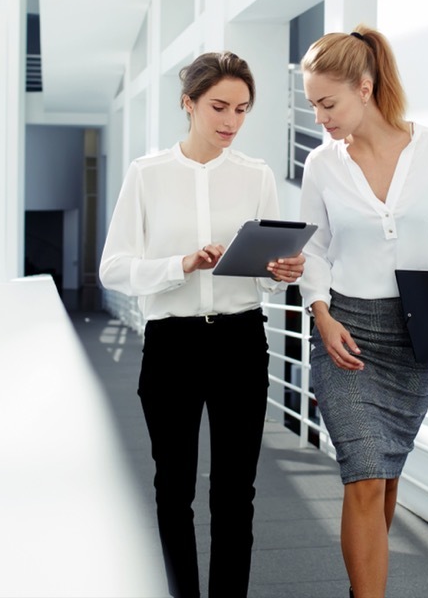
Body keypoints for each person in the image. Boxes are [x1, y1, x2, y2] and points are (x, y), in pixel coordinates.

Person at [99, 51, 305, 598]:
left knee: (237, 491)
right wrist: (181, 265)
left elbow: (266, 280)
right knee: (174, 488)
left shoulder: (257, 176)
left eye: (241, 109)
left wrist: (281, 271)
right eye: (219, 106)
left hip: (241, 341)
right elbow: (113, 268)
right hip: (173, 344)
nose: (231, 121)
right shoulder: (147, 175)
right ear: (188, 103)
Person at [297, 26, 428, 598]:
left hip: (413, 337)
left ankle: (364, 588)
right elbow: (313, 251)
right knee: (363, 473)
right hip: (346, 337)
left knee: (387, 472)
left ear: (365, 86)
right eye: (312, 105)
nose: (320, 117)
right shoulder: (322, 166)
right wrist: (322, 316)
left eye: (328, 103)